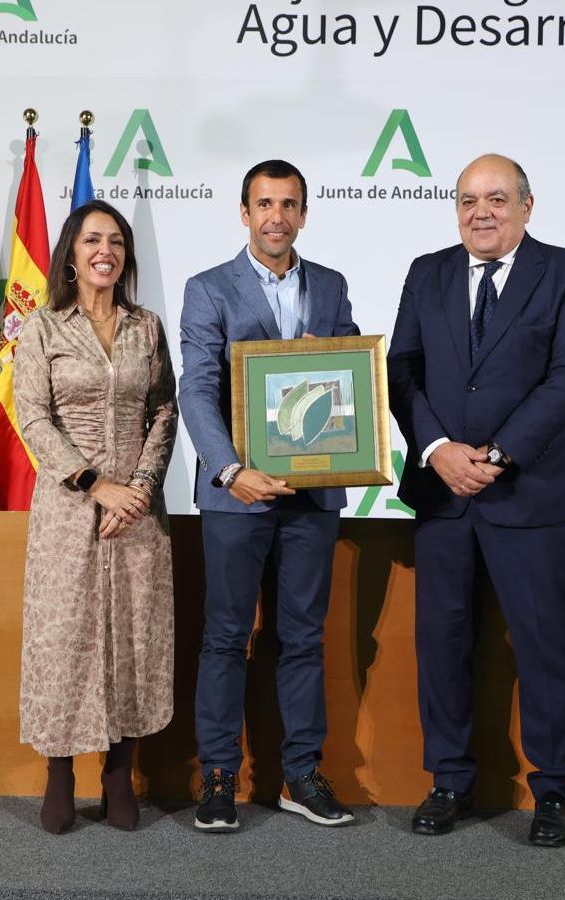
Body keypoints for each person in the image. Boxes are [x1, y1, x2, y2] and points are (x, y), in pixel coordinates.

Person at [387, 153, 565, 847]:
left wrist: (498, 455)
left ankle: (556, 788)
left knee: (545, 645)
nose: (482, 211)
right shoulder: (428, 271)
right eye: (469, 199)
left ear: (527, 207)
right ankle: (449, 778)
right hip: (443, 492)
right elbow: (402, 370)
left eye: (498, 198)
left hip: (532, 492)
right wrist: (438, 449)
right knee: (442, 644)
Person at [178, 159, 360, 832]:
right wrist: (229, 471)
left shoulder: (332, 286)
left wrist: (330, 355)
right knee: (225, 639)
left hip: (312, 496)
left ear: (304, 214)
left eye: (288, 204)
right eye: (264, 204)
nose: (276, 216)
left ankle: (301, 775)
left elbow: (351, 376)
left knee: (303, 641)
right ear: (244, 212)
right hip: (236, 496)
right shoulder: (209, 289)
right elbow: (195, 388)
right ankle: (219, 776)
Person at [14, 200, 178, 835]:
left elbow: (163, 411)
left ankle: (118, 770)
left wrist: (136, 490)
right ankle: (60, 772)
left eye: (115, 241)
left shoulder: (147, 327)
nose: (103, 251)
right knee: (66, 638)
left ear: (126, 255)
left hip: (137, 512)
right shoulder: (43, 328)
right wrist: (95, 485)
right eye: (91, 240)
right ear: (71, 252)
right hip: (68, 509)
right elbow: (33, 418)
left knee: (135, 637)